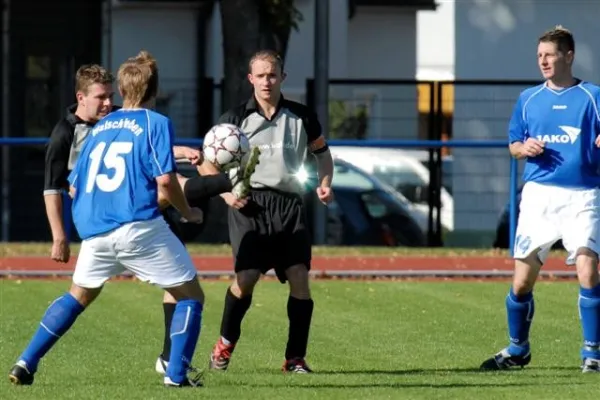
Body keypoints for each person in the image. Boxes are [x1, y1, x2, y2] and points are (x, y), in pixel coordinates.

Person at [9, 51, 206, 387]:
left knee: (78, 296)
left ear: (122, 90)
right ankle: (175, 375)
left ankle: (26, 361)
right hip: (137, 228)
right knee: (191, 296)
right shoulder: (155, 122)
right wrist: (188, 212)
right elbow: (165, 181)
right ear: (153, 90)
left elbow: (73, 185)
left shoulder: (101, 128)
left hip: (95, 232)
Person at [480, 26, 600, 373]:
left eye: (549, 55)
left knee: (588, 269)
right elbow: (514, 144)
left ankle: (592, 352)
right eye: (539, 56)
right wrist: (523, 148)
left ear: (569, 56)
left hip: (584, 195)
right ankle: (518, 350)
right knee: (521, 282)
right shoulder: (529, 99)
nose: (543, 61)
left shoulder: (592, 96)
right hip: (539, 197)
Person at [208, 49, 334, 373]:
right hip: (249, 204)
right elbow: (208, 166)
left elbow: (323, 155)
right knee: (246, 278)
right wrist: (227, 194)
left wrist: (325, 183)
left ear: (282, 77)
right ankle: (224, 343)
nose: (267, 81)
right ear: (251, 78)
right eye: (260, 75)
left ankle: (295, 359)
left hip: (290, 206)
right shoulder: (234, 120)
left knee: (300, 279)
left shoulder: (301, 116)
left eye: (272, 74)